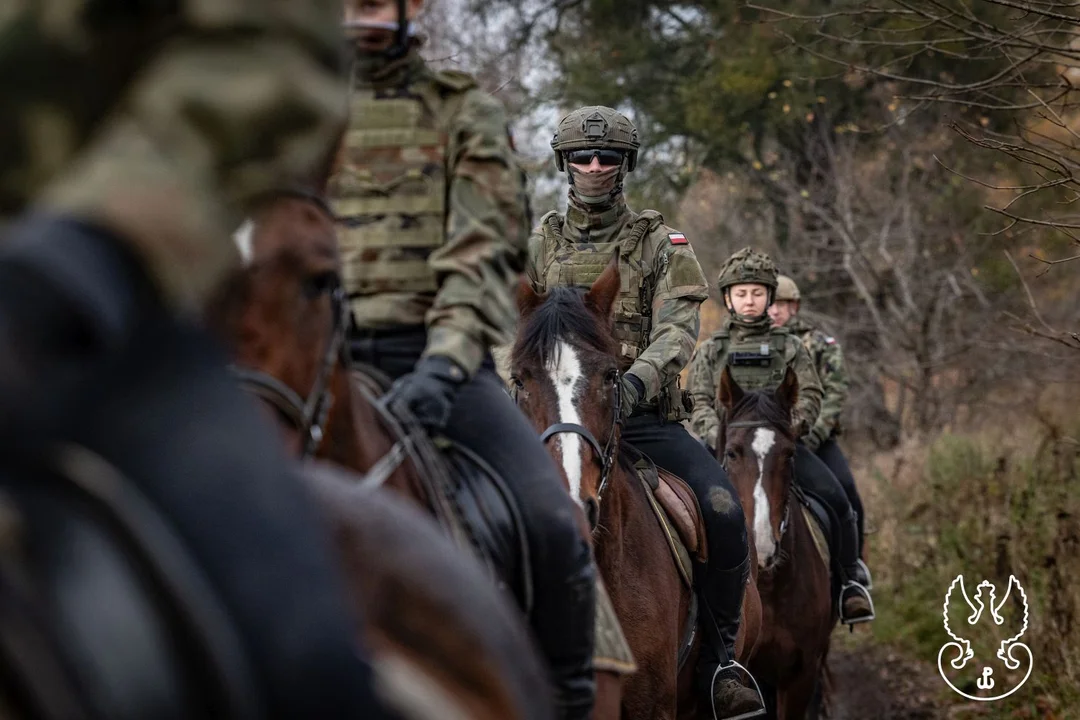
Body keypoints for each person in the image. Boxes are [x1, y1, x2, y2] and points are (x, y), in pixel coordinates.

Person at [0, 2, 391, 718]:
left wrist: (91, 250)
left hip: (91, 306)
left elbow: (266, 47)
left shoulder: (464, 118)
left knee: (309, 664)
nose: (589, 167)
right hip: (293, 315)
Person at [332, 2, 597, 717]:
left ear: (412, 6)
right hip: (312, 363)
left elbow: (481, 256)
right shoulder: (287, 108)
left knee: (552, 522)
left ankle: (567, 699)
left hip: (433, 362)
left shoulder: (463, 113)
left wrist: (446, 364)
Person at [526, 105, 766, 719]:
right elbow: (515, 335)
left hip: (642, 418)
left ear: (626, 164)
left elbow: (682, 329)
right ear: (565, 162)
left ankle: (720, 664)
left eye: (608, 157)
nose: (596, 166)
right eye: (583, 155)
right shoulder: (539, 242)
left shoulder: (660, 241)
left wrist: (633, 383)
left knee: (722, 509)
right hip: (558, 422)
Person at [687, 248, 874, 626]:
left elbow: (812, 393)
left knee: (839, 501)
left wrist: (793, 429)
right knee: (687, 512)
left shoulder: (790, 347)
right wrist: (718, 438)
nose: (749, 301)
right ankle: (689, 598)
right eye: (741, 294)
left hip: (780, 451)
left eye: (757, 293)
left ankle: (849, 582)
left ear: (769, 298)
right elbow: (698, 400)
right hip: (730, 453)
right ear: (728, 299)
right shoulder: (711, 351)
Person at [769, 275, 872, 587]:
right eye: (770, 304)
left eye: (782, 304)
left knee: (846, 494)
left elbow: (834, 394)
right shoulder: (746, 344)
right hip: (764, 445)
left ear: (794, 306)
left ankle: (850, 576)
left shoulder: (820, 345)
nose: (775, 311)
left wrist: (811, 436)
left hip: (814, 442)